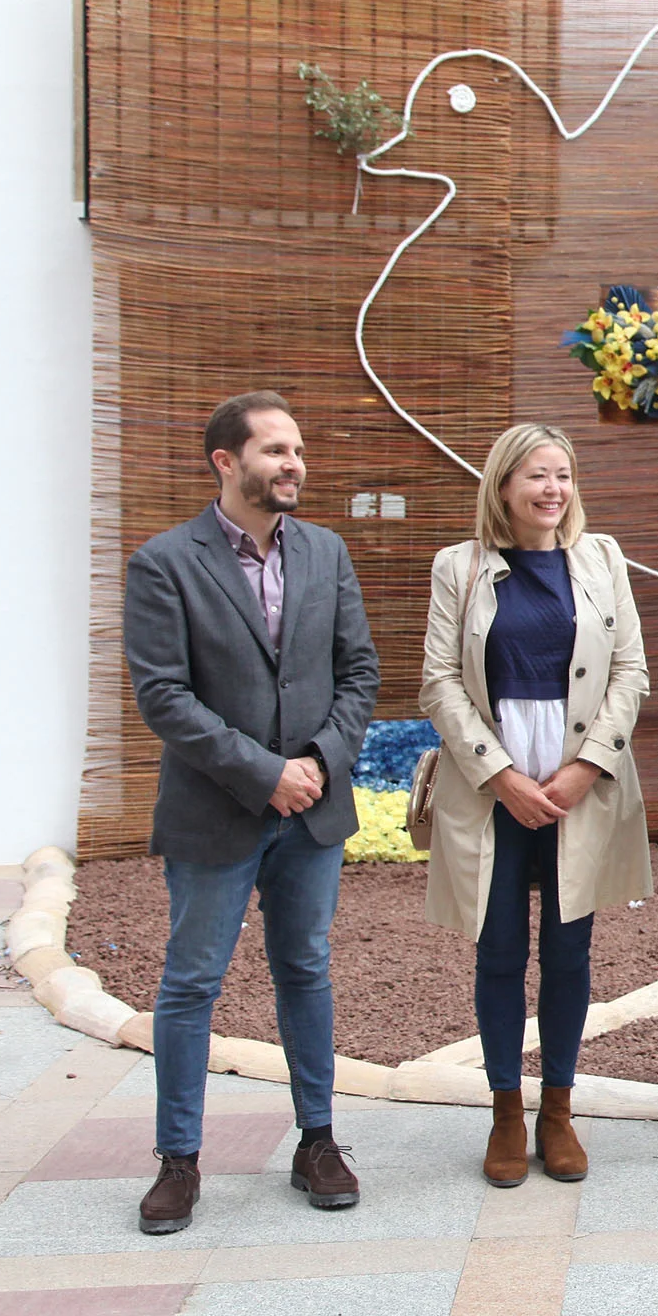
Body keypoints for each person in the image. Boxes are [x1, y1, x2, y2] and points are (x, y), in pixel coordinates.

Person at [122, 391, 380, 1236]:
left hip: (310, 812)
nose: (293, 462)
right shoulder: (165, 562)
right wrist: (263, 772)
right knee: (191, 982)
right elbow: (163, 695)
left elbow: (359, 674)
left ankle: (318, 1142)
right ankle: (178, 1161)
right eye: (274, 449)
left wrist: (315, 764)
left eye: (297, 448)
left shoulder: (327, 553)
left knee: (304, 968)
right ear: (225, 462)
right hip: (216, 811)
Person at [420, 424, 652, 1187]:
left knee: (568, 949)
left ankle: (558, 1109)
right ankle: (505, 1110)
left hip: (577, 786)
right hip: (494, 786)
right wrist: (500, 776)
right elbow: (440, 682)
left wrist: (586, 766)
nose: (553, 489)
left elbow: (632, 671)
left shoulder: (602, 557)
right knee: (497, 952)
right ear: (503, 485)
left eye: (562, 474)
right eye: (536, 476)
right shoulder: (460, 566)